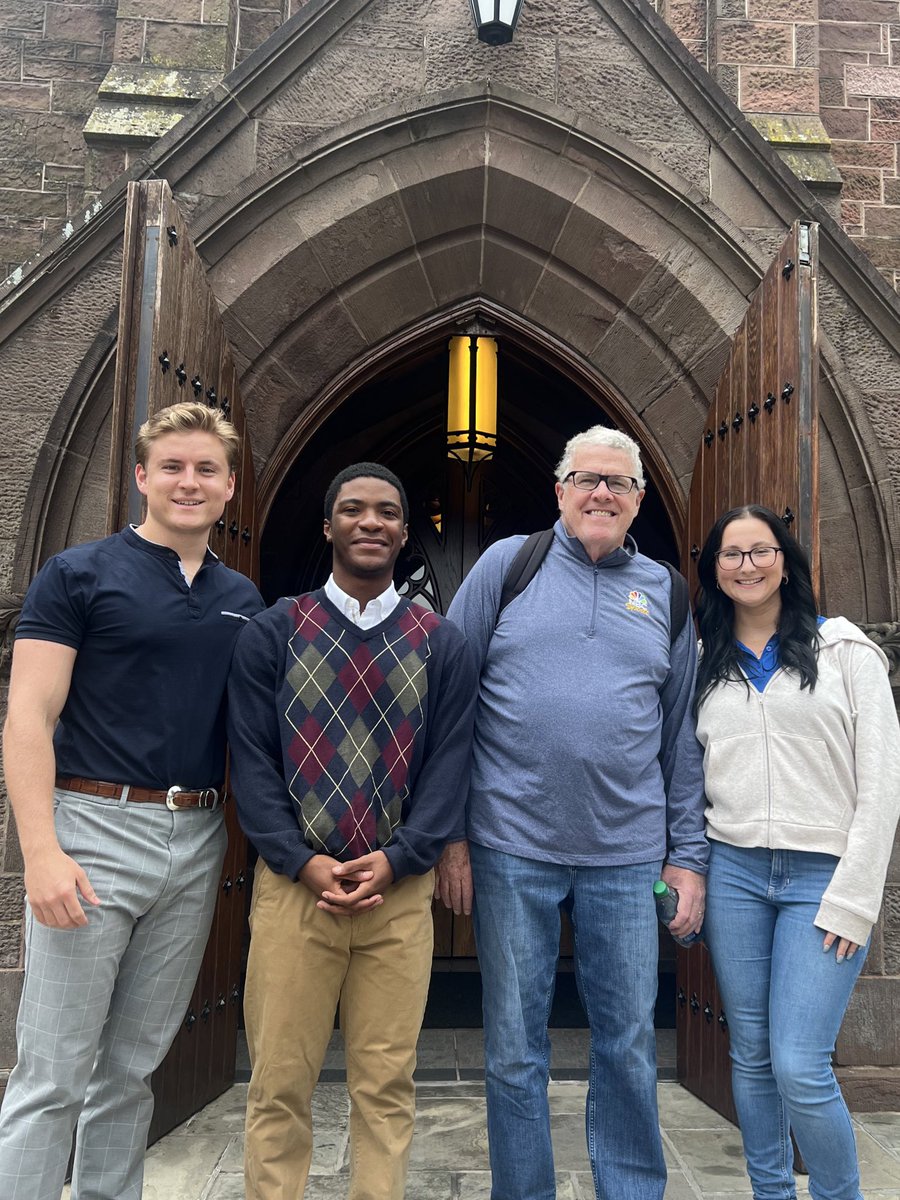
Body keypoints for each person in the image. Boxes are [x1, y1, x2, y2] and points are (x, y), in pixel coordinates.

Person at [0, 401, 264, 1200]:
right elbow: (28, 718)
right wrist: (40, 853)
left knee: (130, 1070)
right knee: (54, 1073)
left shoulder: (243, 599)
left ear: (228, 489)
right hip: (92, 832)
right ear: (142, 477)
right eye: (173, 467)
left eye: (206, 469)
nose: (190, 481)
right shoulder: (78, 574)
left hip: (195, 838)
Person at [437, 425, 708, 1200]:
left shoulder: (667, 591)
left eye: (618, 484)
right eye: (587, 479)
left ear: (638, 502)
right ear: (559, 491)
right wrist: (449, 835)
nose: (601, 494)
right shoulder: (507, 566)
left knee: (626, 1044)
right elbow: (449, 704)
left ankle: (630, 1190)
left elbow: (680, 738)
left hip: (625, 857)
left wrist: (686, 855)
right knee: (514, 1048)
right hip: (510, 845)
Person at [226, 462, 478, 1200]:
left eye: (388, 512)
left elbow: (448, 767)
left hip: (396, 901)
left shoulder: (443, 642)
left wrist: (402, 859)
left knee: (386, 1087)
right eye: (354, 509)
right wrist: (299, 861)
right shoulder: (275, 631)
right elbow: (252, 762)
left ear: (405, 532)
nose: (371, 522)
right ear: (329, 524)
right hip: (294, 896)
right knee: (278, 1087)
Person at [693, 504, 900, 1200]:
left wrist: (855, 896)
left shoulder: (845, 652)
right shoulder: (702, 664)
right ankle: (771, 1193)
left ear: (786, 560)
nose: (747, 565)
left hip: (823, 879)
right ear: (714, 571)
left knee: (799, 1064)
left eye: (761, 551)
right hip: (736, 875)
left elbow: (882, 788)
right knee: (750, 1057)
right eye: (731, 554)